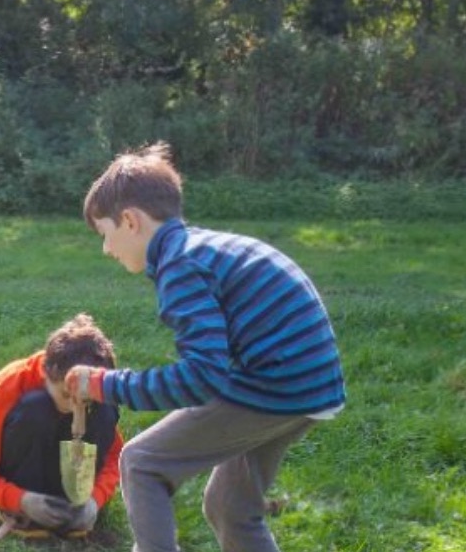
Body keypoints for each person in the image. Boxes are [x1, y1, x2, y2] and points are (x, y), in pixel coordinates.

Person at [65, 142, 346, 552]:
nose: (106, 249)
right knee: (231, 507)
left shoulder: (180, 265)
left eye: (104, 234)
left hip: (276, 386)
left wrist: (106, 385)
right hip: (310, 385)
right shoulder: (200, 249)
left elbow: (200, 379)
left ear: (129, 221)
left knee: (142, 462)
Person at [0, 313, 125, 538]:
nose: (75, 406)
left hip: (75, 488)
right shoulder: (12, 383)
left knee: (105, 411)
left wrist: (95, 500)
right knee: (36, 407)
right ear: (46, 373)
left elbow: (115, 457)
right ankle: (27, 513)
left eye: (85, 400)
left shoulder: (97, 393)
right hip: (24, 484)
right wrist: (20, 499)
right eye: (66, 395)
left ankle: (75, 507)